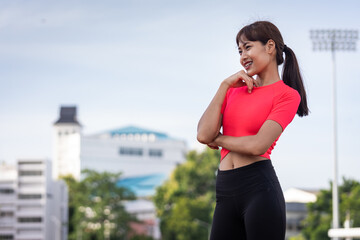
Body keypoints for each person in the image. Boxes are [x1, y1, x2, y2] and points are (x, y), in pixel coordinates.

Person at [197, 21, 309, 240]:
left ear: (270, 47)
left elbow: (258, 145)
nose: (242, 56)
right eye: (239, 51)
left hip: (259, 189)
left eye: (247, 47)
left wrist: (218, 139)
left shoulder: (287, 95)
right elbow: (202, 135)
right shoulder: (233, 90)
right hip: (225, 190)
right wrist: (224, 86)